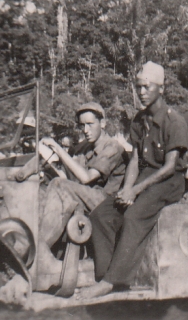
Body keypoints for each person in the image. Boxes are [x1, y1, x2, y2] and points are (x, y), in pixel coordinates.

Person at [79, 61, 188, 298]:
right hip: (145, 178)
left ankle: (112, 281)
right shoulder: (139, 120)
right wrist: (127, 188)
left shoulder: (174, 121)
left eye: (147, 87)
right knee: (101, 215)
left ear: (161, 89)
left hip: (169, 182)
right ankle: (105, 276)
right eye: (139, 87)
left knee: (132, 216)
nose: (141, 92)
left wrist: (135, 190)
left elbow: (169, 167)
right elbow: (136, 159)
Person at [32, 102, 126, 287]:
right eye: (82, 125)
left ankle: (40, 251)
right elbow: (72, 179)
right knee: (46, 187)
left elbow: (86, 177)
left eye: (90, 124)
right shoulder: (84, 148)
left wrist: (58, 149)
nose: (86, 130)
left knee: (58, 185)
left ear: (103, 123)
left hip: (106, 203)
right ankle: (38, 247)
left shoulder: (113, 147)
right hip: (88, 197)